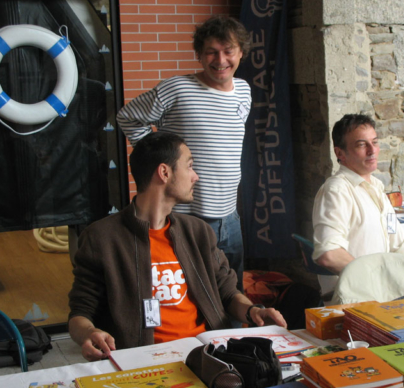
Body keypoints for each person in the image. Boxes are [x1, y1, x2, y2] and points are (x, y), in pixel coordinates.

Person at [68, 132, 286, 362]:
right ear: (164, 172)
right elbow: (79, 315)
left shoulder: (197, 232)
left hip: (210, 356)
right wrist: (90, 333)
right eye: (190, 166)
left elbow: (229, 293)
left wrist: (255, 312)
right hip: (145, 361)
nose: (196, 176)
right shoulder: (102, 238)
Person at [117, 16, 251, 292]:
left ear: (241, 53)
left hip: (230, 217)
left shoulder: (244, 93)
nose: (221, 59)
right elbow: (128, 117)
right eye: (211, 51)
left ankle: (233, 338)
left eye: (228, 51)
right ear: (200, 55)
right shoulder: (176, 88)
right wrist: (160, 159)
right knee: (194, 295)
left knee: (231, 292)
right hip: (187, 216)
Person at [311, 114, 404, 289]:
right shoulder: (337, 191)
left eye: (374, 142)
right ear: (340, 153)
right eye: (362, 144)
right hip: (357, 298)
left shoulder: (376, 187)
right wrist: (379, 281)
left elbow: (402, 248)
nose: (372, 150)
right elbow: (329, 254)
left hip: (383, 291)